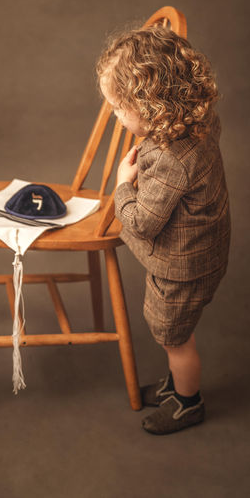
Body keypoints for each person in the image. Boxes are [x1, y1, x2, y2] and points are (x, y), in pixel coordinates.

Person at [96, 24, 231, 435]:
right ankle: (176, 384)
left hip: (183, 265)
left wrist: (123, 184)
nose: (116, 118)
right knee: (172, 327)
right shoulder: (199, 118)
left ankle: (188, 403)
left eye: (120, 108)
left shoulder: (169, 157)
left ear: (152, 105)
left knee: (174, 335)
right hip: (204, 246)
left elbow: (141, 221)